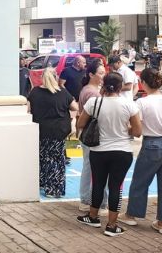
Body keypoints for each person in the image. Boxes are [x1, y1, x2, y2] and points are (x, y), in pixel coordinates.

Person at [76, 72, 142, 237]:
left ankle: (93, 217)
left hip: (98, 151)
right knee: (116, 187)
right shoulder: (129, 105)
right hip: (122, 152)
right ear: (121, 87)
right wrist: (124, 129)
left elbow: (80, 123)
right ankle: (112, 225)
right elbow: (138, 132)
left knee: (97, 183)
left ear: (103, 85)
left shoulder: (94, 102)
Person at [120, 68, 162, 235]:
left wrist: (127, 129)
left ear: (142, 83)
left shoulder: (142, 103)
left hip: (152, 144)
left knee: (140, 181)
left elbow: (136, 128)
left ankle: (132, 214)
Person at [28, 67, 78, 198]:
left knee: (43, 156)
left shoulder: (35, 92)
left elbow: (28, 109)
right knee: (57, 158)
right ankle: (54, 188)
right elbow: (75, 107)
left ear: (42, 78)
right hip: (59, 130)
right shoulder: (63, 92)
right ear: (55, 77)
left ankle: (43, 182)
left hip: (41, 129)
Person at [76, 60, 108, 213]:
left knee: (89, 166)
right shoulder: (92, 93)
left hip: (89, 133)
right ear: (91, 74)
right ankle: (86, 200)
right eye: (100, 73)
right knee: (90, 167)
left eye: (104, 72)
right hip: (92, 134)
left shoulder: (90, 90)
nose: (103, 76)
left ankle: (86, 199)